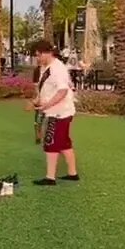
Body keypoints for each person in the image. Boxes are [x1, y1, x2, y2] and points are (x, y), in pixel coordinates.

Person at [28, 40, 78, 185]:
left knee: (51, 143)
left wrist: (46, 106)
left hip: (59, 113)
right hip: (55, 111)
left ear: (47, 53)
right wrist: (36, 101)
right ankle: (72, 173)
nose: (37, 58)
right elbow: (45, 89)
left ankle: (50, 178)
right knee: (63, 144)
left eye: (38, 55)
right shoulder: (46, 67)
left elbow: (62, 91)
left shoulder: (58, 69)